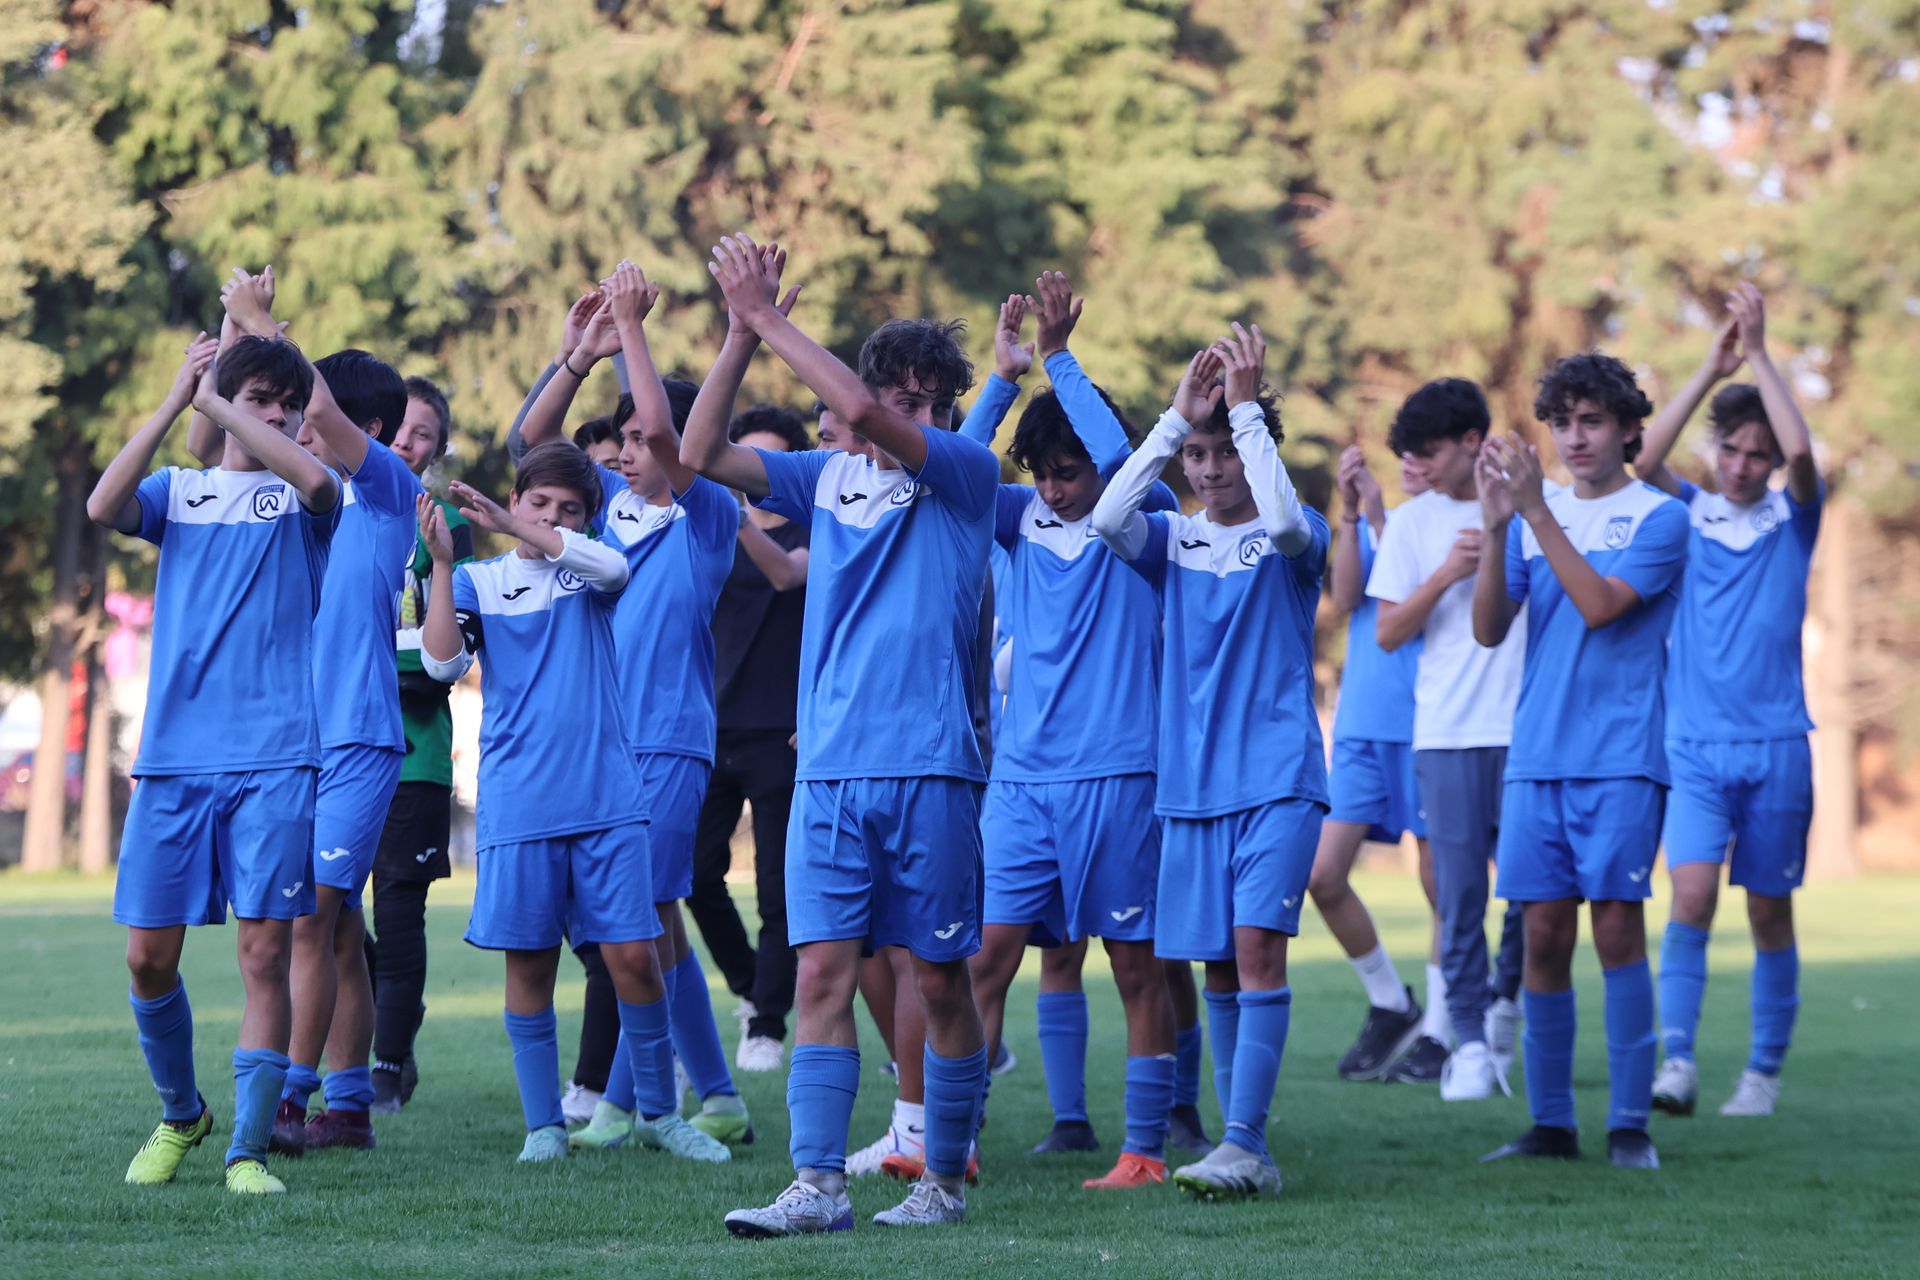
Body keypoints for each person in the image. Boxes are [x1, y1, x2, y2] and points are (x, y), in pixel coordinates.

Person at [684, 234, 996, 1234]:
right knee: (820, 969)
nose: (906, 413)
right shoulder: (823, 477)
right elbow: (697, 455)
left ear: (946, 413)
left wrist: (768, 315)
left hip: (931, 767)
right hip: (827, 771)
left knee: (939, 979)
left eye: (924, 401)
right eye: (897, 395)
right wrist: (740, 335)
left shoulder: (967, 472)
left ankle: (941, 1180)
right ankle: (817, 1186)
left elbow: (858, 410)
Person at [415, 446, 728, 1164]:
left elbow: (615, 570)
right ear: (515, 498)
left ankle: (660, 1115)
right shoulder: (479, 581)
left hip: (607, 802)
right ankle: (544, 1128)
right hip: (519, 806)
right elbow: (441, 663)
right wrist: (443, 566)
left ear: (587, 520)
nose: (551, 518)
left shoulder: (588, 569)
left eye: (569, 511)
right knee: (529, 967)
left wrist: (516, 528)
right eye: (538, 504)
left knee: (635, 959)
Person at [92, 329, 341, 1196]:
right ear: (227, 401)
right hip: (174, 760)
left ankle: (246, 1151)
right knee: (146, 959)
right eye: (260, 400)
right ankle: (181, 1114)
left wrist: (227, 406)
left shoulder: (305, 496)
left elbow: (317, 481)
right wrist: (179, 399)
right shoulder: (180, 491)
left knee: (264, 955)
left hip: (277, 760)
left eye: (289, 406)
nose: (279, 417)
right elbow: (102, 506)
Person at [514, 264, 751, 1150]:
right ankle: (717, 1093)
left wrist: (635, 333)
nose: (624, 452)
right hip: (600, 749)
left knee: (637, 920)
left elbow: (664, 430)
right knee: (657, 920)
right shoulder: (608, 509)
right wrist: (585, 353)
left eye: (638, 441)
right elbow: (531, 440)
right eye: (616, 443)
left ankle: (624, 1106)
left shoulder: (708, 513)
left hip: (669, 742)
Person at [957, 274, 1186, 1191]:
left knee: (1135, 968)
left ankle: (1144, 1151)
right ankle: (954, 1142)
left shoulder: (1148, 524)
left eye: (1069, 472)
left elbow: (1124, 459)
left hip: (1119, 779)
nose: (1054, 489)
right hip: (1019, 783)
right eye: (1043, 474)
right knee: (983, 961)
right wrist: (1003, 381)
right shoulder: (1018, 522)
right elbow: (954, 470)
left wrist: (1060, 359)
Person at [1091, 326, 1330, 1201]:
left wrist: (1246, 413)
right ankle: (1240, 1149)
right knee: (1220, 966)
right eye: (1198, 454)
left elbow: (1285, 523)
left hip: (1275, 779)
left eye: (1224, 450)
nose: (1210, 467)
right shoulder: (1174, 541)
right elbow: (1107, 519)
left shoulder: (1297, 533)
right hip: (1191, 788)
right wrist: (1173, 420)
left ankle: (1244, 1144)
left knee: (1257, 948)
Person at [1472, 353, 1688, 1170]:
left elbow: (1600, 607)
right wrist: (1500, 528)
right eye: (1561, 423)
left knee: (1618, 931)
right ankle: (1552, 1126)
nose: (1574, 437)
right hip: (1538, 757)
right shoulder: (1540, 515)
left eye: (1591, 421)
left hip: (1622, 760)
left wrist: (1533, 514)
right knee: (1541, 937)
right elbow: (1489, 628)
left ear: (1630, 428)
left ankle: (1630, 1125)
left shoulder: (1661, 517)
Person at [1634, 284, 1820, 1119]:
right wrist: (1712, 368)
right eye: (1733, 450)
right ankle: (1677, 1062)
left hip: (1778, 745)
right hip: (1693, 747)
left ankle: (1763, 1075)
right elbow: (1642, 462)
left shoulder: (1793, 520)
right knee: (1692, 899)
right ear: (1715, 450)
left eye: (1757, 455)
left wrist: (1763, 355)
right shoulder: (1687, 513)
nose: (1743, 466)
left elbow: (1804, 451)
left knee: (1770, 912)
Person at [1366, 380, 1529, 1095]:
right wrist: (1445, 575)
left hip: (1528, 732)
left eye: (1429, 451)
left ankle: (1505, 1009)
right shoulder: (1411, 523)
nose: (1419, 464)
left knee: (1530, 895)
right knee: (1459, 901)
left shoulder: (1533, 507)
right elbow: (1387, 632)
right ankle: (1468, 1042)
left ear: (1472, 441)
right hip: (1446, 733)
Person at [686, 402, 811, 1074]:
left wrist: (737, 514)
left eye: (770, 461)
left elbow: (787, 575)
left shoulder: (815, 526)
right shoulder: (712, 529)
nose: (754, 472)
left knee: (776, 892)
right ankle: (749, 987)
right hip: (710, 728)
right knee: (694, 875)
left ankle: (767, 1023)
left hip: (782, 733)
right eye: (746, 457)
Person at [1308, 443, 1435, 1082]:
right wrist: (1353, 514)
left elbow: (1411, 602)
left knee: (1445, 890)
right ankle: (1391, 1002)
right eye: (1409, 449)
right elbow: (1347, 596)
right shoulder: (1381, 523)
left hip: (1431, 726)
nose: (1412, 460)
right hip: (1362, 724)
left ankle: (1444, 1030)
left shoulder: (1456, 527)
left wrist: (1383, 516)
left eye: (1426, 448)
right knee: (1323, 875)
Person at [369, 376, 474, 1112]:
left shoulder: (448, 524)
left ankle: (387, 1064)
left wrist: (378, 661)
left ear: (437, 450)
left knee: (400, 911)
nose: (407, 442)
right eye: (398, 427)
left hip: (416, 757)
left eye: (423, 435)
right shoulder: (333, 506)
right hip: (333, 754)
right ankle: (390, 1011)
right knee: (325, 911)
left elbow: (441, 661)